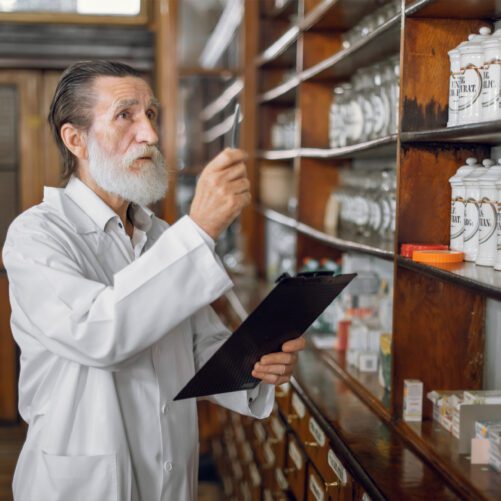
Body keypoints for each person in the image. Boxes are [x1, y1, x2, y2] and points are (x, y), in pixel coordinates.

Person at [2, 61, 305, 501]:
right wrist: (199, 229)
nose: (150, 134)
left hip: (168, 473)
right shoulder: (36, 235)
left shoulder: (159, 235)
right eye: (126, 115)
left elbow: (199, 346)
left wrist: (256, 365)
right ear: (76, 139)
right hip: (84, 483)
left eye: (151, 115)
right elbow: (98, 333)